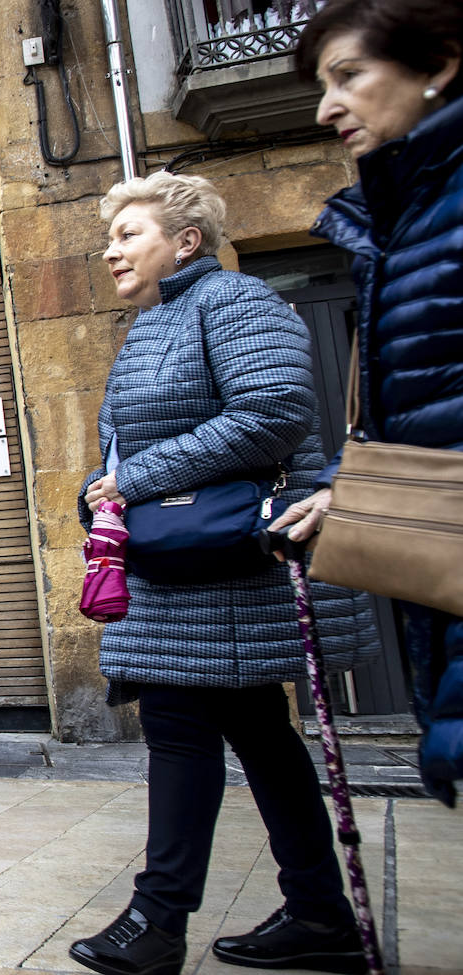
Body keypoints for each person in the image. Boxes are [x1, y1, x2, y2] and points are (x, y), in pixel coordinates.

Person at [68, 172, 377, 975]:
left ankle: (160, 918)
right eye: (112, 237)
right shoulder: (152, 324)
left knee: (187, 729)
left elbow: (273, 410)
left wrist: (132, 482)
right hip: (182, 573)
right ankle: (317, 913)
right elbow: (123, 454)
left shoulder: (234, 303)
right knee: (255, 737)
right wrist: (98, 494)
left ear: (186, 241)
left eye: (129, 234)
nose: (111, 249)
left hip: (229, 571)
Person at [279, 0, 463, 808]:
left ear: (440, 65)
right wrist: (352, 485)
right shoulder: (403, 216)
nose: (327, 107)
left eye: (349, 76)